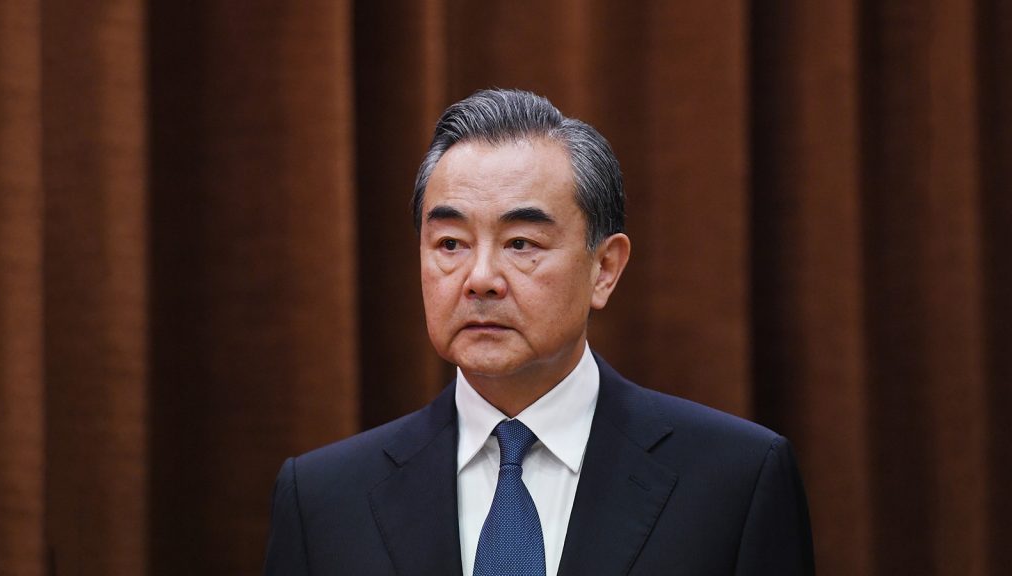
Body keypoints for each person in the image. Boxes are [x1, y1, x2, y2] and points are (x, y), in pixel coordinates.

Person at [263, 89, 815, 575]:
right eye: (451, 244)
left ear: (604, 269)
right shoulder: (323, 499)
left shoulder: (736, 482)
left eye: (520, 244)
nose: (480, 278)